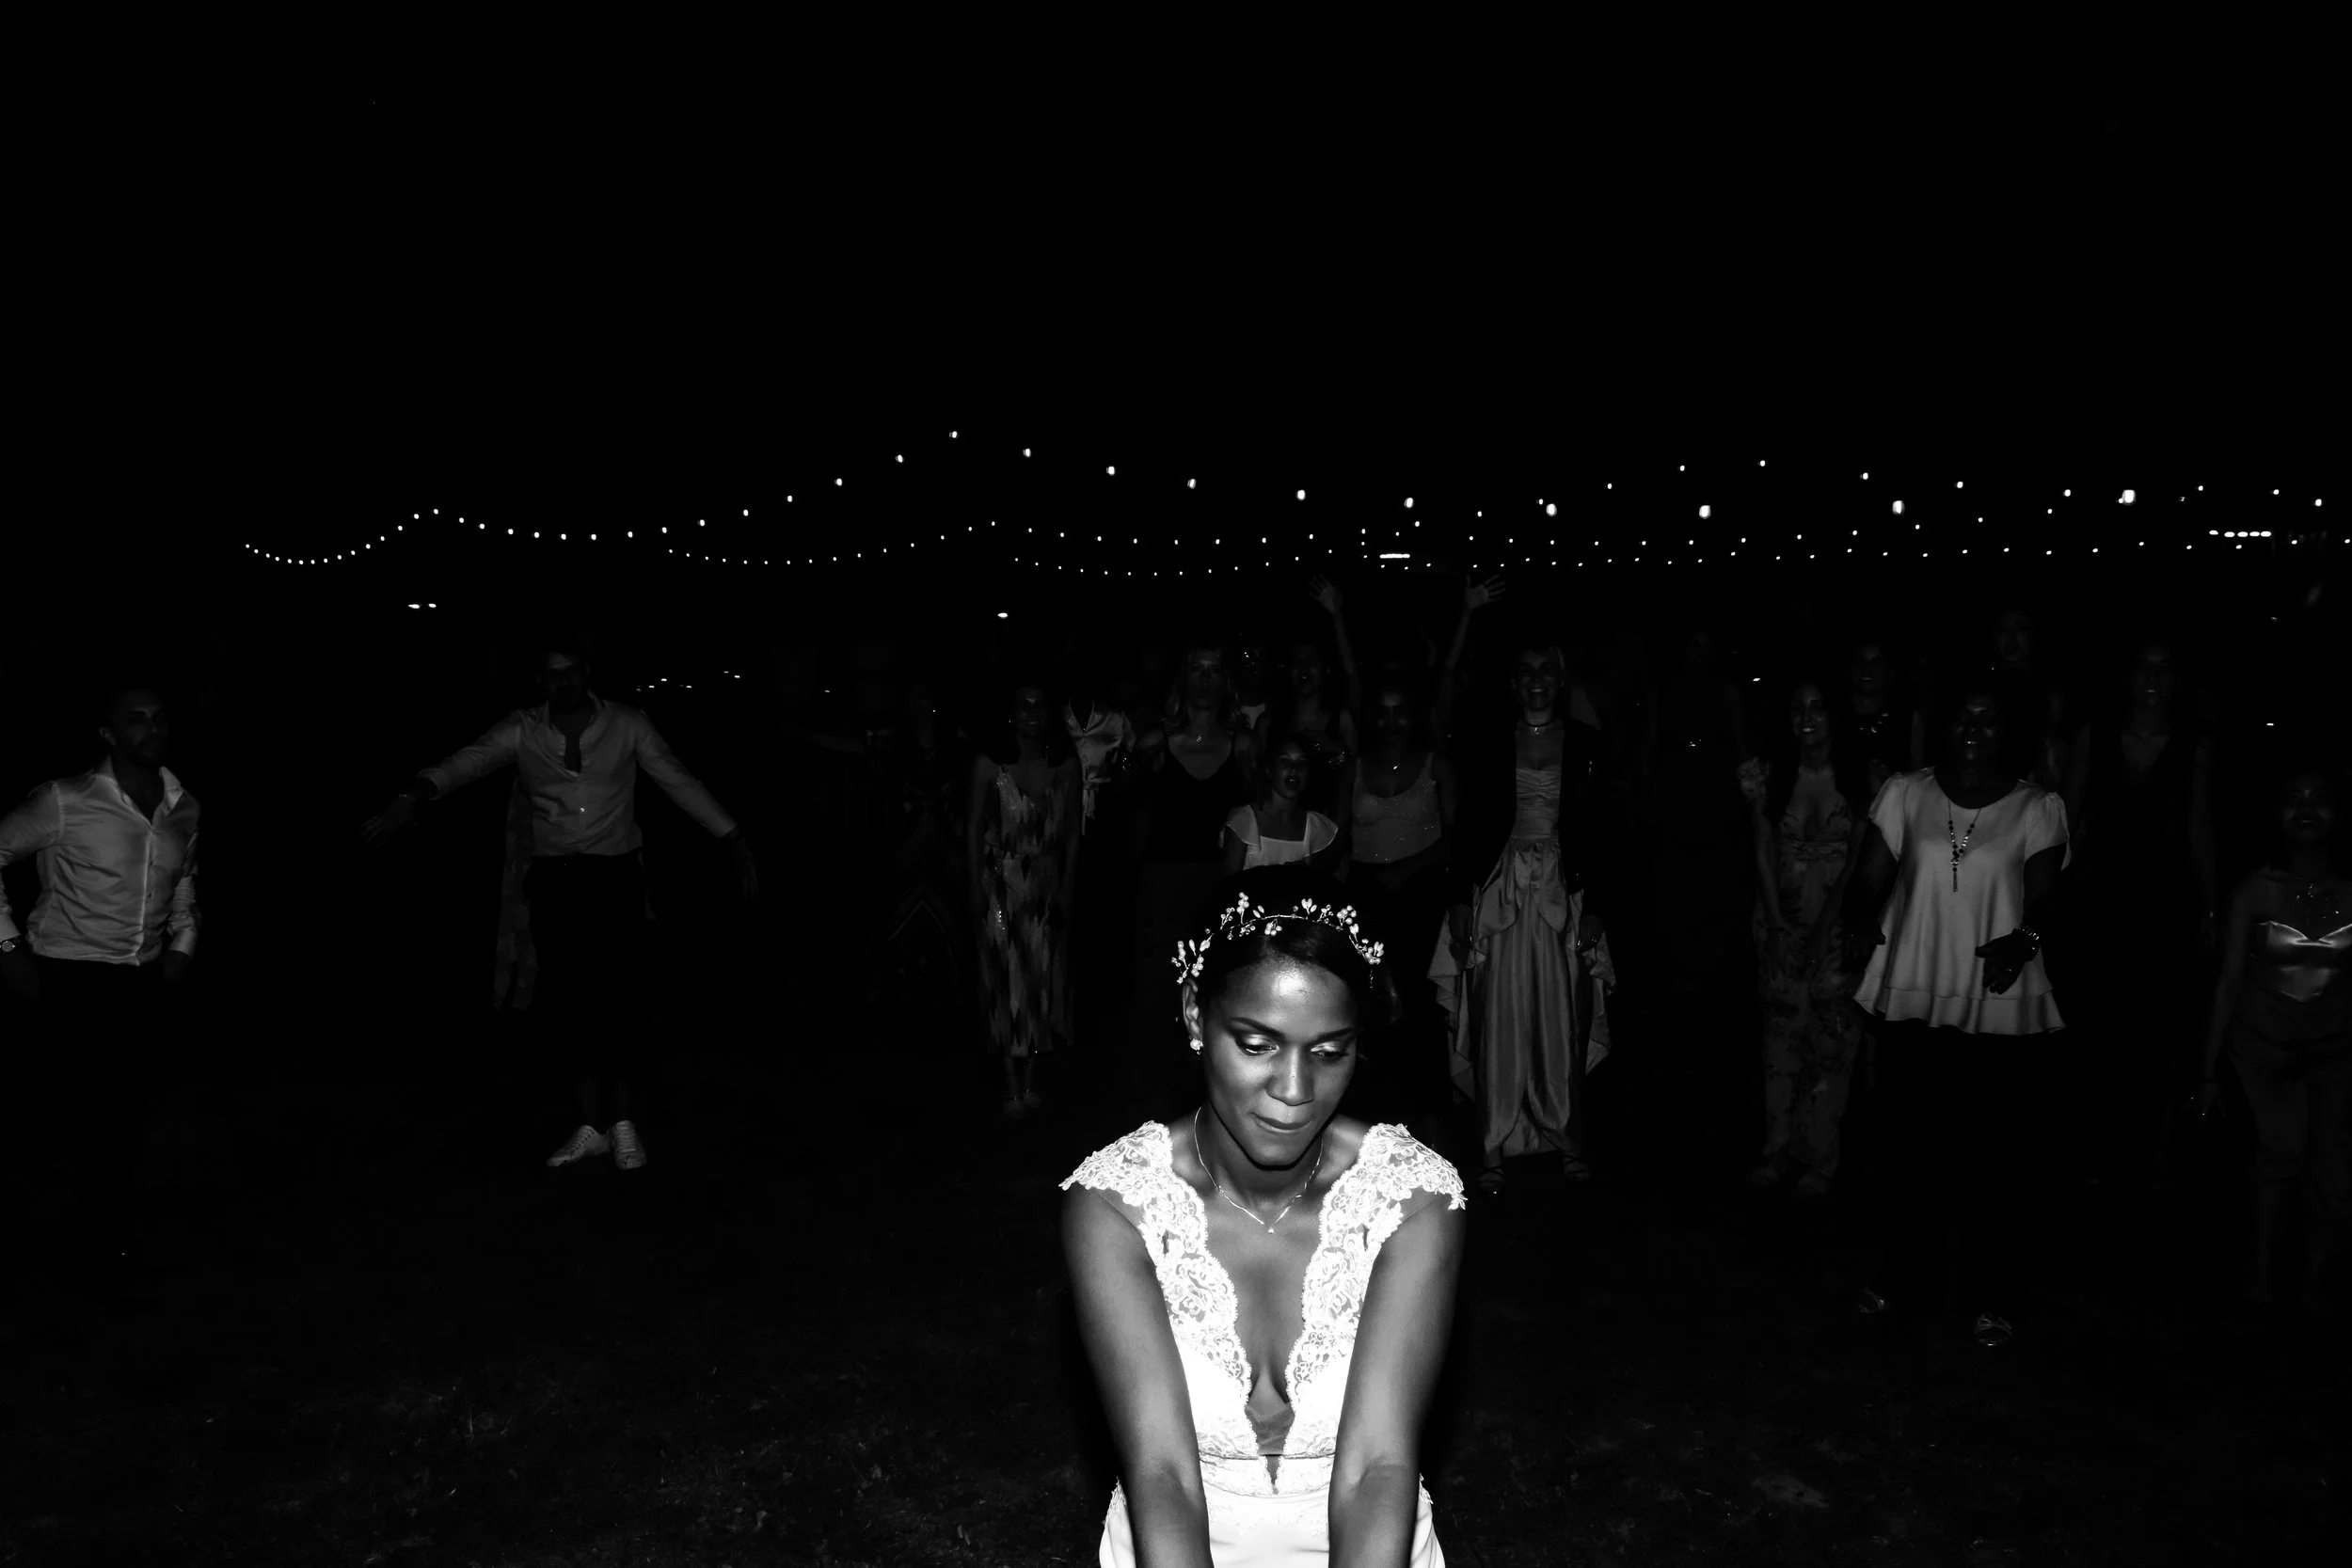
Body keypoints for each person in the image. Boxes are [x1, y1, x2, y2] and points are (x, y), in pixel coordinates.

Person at [1061, 864, 1465, 1563]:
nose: (1294, 1089)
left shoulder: (1414, 1198)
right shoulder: (1114, 1204)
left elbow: (1379, 1467)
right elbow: (1162, 1474)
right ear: (1195, 1013)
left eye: (1330, 1052)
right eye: (1257, 1044)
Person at [361, 638, 757, 1171]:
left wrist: (731, 836)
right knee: (571, 1001)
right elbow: (467, 762)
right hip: (556, 883)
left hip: (615, 878)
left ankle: (622, 1123)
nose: (564, 682)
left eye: (572, 672)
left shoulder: (627, 723)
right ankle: (590, 1126)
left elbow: (676, 779)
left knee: (618, 998)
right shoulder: (523, 728)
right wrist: (413, 794)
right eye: (553, 675)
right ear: (540, 682)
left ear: (587, 673)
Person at [1843, 682, 2070, 1347]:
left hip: (1998, 1001)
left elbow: (2048, 897)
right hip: (1916, 986)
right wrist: (1859, 916)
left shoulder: (2037, 806)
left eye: (1989, 717)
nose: (1974, 726)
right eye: (1964, 715)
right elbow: (1868, 877)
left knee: (2000, 1158)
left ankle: (1997, 1295)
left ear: (2008, 730)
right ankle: (1905, 1277)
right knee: (1909, 1148)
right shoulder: (1906, 793)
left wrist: (2026, 936)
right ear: (1944, 725)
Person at [0, 685, 199, 1300]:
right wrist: (7, 947)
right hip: (74, 974)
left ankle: (108, 1240)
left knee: (129, 1115)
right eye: (135, 719)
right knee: (99, 1113)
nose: (152, 728)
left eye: (160, 716)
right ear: (108, 734)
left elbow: (185, 879)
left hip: (140, 979)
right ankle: (102, 1259)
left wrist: (182, 945)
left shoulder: (182, 804)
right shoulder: (64, 800)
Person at [1443, 641, 1613, 1191]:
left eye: (1546, 671)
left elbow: (1609, 829)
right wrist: (1462, 898)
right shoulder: (1488, 744)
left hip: (1564, 894)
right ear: (1513, 684)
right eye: (1526, 672)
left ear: (1560, 682)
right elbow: (1467, 822)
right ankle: (1492, 1143)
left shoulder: (1587, 744)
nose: (1536, 680)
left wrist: (1600, 906)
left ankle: (1567, 1138)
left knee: (1562, 1019)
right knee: (1499, 1018)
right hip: (1502, 895)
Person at [2061, 638, 2218, 1189]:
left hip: (2164, 901)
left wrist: (2210, 906)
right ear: (2128, 678)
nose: (2153, 677)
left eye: (2164, 667)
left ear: (2176, 680)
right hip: (2100, 898)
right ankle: (2094, 1149)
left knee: (2160, 1028)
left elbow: (2199, 826)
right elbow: (2068, 820)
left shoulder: (2192, 748)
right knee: (2098, 1023)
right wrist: (2047, 894)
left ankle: (2155, 1149)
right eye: (2144, 666)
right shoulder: (2093, 737)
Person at [2196, 764, 2348, 1312]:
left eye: (2320, 797)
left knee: (2334, 1167)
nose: (2306, 808)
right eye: (2293, 797)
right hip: (2262, 1045)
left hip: (2332, 1048)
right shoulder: (2256, 889)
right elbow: (2229, 980)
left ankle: (2315, 1275)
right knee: (2280, 1151)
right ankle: (2260, 1273)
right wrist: (2208, 1071)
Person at [1737, 676, 1870, 1196]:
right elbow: (1762, 851)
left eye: (1818, 706)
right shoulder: (1768, 778)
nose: (1808, 717)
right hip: (1780, 919)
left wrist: (1824, 930)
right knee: (1781, 1037)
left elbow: (1859, 860)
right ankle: (1776, 1148)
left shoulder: (1862, 779)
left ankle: (1820, 1156)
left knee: (1833, 1043)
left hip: (1835, 924)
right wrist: (1776, 923)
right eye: (1798, 707)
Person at [1130, 641, 1255, 1115]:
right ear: (1183, 681)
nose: (1205, 679)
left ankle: (1213, 1095)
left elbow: (1257, 815)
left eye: (1214, 670)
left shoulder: (1242, 745)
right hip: (1162, 882)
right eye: (1197, 670)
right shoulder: (1155, 741)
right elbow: (1131, 814)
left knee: (1216, 989)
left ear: (1225, 682)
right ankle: (1158, 1102)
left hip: (1217, 881)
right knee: (1159, 990)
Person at [968, 679, 1081, 1117]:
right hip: (998, 882)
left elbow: (1072, 835)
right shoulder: (987, 765)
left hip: (1045, 887)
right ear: (1010, 713)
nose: (1032, 713)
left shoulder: (1065, 766)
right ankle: (1010, 1083)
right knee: (1004, 981)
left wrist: (1067, 890)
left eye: (1041, 705)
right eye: (1024, 704)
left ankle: (1032, 1079)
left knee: (1040, 983)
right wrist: (975, 893)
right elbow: (974, 833)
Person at [1222, 731, 1340, 873]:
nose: (1294, 770)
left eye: (1302, 763)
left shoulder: (1316, 827)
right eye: (1285, 761)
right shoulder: (1244, 822)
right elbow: (1229, 889)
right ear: (1269, 769)